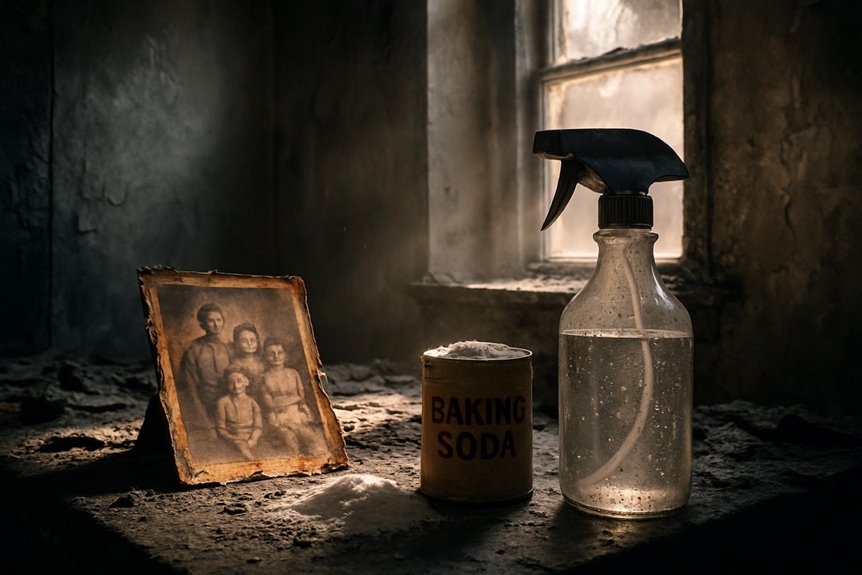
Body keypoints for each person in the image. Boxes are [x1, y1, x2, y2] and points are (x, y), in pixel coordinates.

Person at [259, 337, 328, 454]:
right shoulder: (264, 378)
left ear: (285, 355)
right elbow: (270, 404)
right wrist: (293, 399)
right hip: (279, 417)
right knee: (289, 439)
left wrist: (291, 403)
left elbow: (301, 397)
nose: (276, 356)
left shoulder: (293, 373)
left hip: (297, 414)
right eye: (271, 353)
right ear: (265, 356)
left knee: (311, 438)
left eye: (279, 353)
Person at [179, 303, 232, 425]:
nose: (216, 324)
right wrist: (201, 416)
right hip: (205, 404)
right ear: (202, 324)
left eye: (219, 320)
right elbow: (189, 385)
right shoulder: (194, 349)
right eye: (211, 321)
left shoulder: (229, 347)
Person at [215, 365, 263, 460]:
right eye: (231, 383)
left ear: (247, 382)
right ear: (226, 384)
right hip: (233, 439)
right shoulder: (223, 402)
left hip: (251, 438)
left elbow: (258, 427)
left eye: (239, 381)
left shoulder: (253, 403)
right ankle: (253, 462)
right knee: (245, 452)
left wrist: (253, 439)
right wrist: (236, 439)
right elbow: (221, 429)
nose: (236, 386)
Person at [229, 323, 265, 396]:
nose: (249, 344)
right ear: (237, 343)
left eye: (253, 340)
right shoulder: (235, 366)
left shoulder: (263, 361)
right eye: (244, 341)